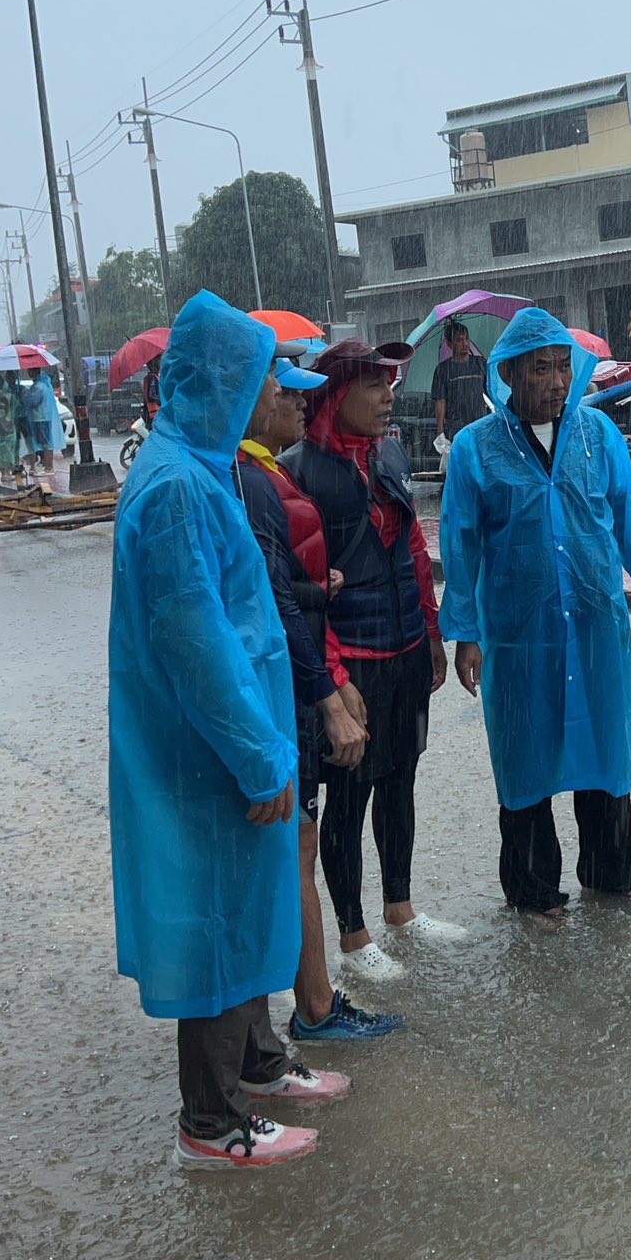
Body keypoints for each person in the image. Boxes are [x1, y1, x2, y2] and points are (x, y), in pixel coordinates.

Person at [109, 291, 349, 1169]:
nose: (274, 396)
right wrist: (256, 758)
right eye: (262, 380)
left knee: (247, 908)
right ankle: (209, 1123)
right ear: (224, 381)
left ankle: (259, 1064)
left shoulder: (197, 465)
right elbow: (196, 641)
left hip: (238, 739)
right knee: (214, 919)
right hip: (210, 753)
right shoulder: (175, 486)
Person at [439, 307, 631, 918]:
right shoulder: (475, 450)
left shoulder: (599, 436)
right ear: (510, 374)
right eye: (541, 368)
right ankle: (534, 891)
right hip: (518, 637)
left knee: (603, 747)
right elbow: (459, 544)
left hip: (595, 625)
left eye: (564, 367)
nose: (556, 382)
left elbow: (630, 520)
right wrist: (464, 632)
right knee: (524, 758)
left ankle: (613, 873)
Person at [281, 338, 462, 981]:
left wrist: (433, 632)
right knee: (349, 796)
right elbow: (304, 593)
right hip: (350, 660)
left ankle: (401, 908)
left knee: (400, 780)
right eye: (374, 386)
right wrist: (331, 678)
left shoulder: (388, 452)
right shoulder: (298, 471)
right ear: (335, 394)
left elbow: (413, 545)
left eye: (391, 383)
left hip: (406, 648)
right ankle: (354, 937)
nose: (390, 398)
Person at [238, 357, 403, 1043]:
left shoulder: (267, 473)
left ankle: (304, 1006)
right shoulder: (254, 481)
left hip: (306, 667)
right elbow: (267, 600)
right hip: (296, 678)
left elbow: (277, 586)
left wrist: (315, 592)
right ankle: (314, 1005)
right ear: (249, 404)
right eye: (286, 396)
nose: (300, 408)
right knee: (303, 842)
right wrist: (330, 683)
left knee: (297, 844)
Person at [431, 321, 488, 460]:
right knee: (463, 465)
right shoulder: (443, 369)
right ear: (449, 344)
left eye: (466, 338)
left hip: (481, 425)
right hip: (456, 429)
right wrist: (440, 432)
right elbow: (440, 401)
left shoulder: (480, 363)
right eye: (459, 340)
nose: (464, 343)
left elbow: (491, 391)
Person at [18, 367, 67, 473]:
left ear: (33, 371)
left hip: (40, 418)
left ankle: (49, 466)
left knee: (45, 442)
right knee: (44, 442)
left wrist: (24, 397)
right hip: (41, 417)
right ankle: (47, 465)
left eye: (29, 370)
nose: (28, 372)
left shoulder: (39, 386)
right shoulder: (41, 384)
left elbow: (33, 401)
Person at [0, 372, 22, 483]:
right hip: (8, 428)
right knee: (9, 452)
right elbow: (17, 407)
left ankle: (3, 473)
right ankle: (8, 472)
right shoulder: (10, 396)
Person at [142, 354, 162, 429]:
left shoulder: (151, 378)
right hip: (156, 415)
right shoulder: (152, 379)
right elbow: (153, 396)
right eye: (158, 360)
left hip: (154, 415)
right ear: (152, 363)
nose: (160, 363)